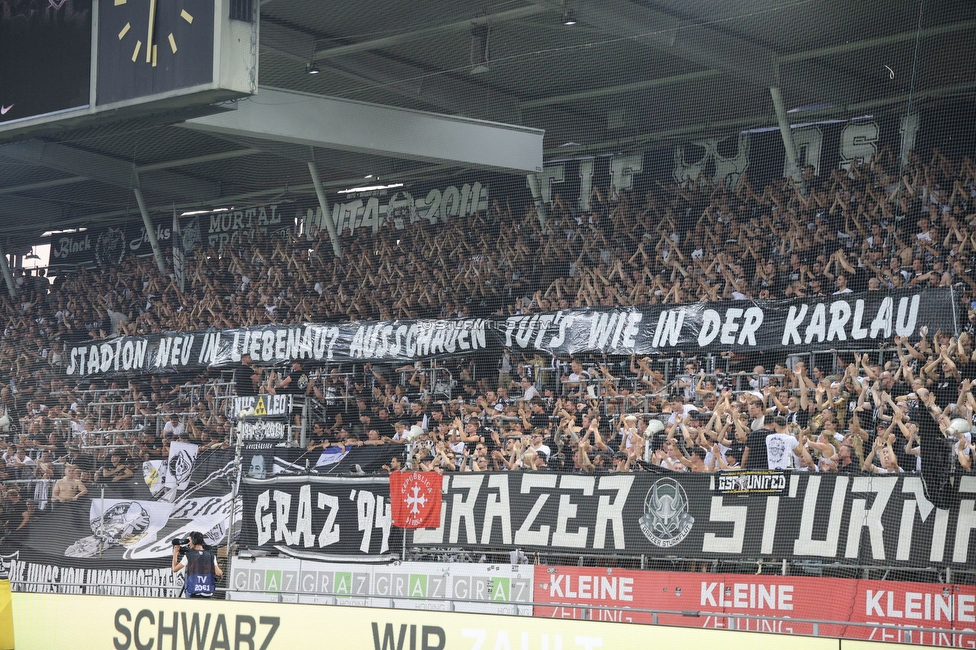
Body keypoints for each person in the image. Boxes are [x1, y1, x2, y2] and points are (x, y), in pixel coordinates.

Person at [172, 531, 223, 598]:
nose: (189, 543)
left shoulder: (189, 555)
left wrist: (175, 553)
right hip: (207, 593)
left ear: (194, 541)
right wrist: (221, 574)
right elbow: (218, 573)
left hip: (194, 593)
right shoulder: (211, 555)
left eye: (190, 540)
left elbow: (175, 569)